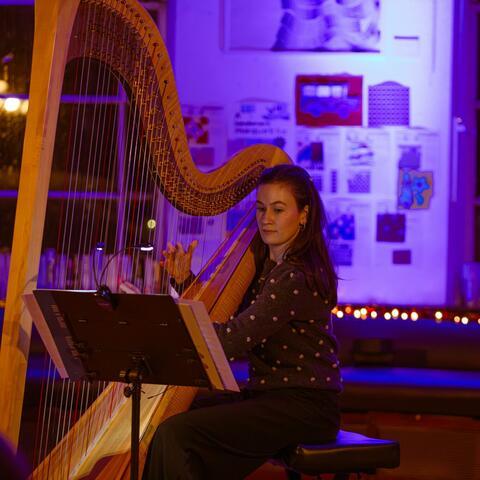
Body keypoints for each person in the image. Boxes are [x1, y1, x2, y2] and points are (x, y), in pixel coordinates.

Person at [142, 164, 342, 480]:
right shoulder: (266, 270)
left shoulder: (294, 275)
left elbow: (232, 339)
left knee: (176, 434)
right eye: (261, 209)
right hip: (271, 397)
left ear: (303, 214)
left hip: (305, 406)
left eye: (278, 209)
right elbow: (227, 319)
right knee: (170, 421)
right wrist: (185, 282)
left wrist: (167, 332)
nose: (266, 219)